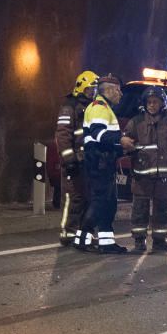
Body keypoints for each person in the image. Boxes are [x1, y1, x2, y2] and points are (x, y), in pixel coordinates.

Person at [121, 86, 167, 253]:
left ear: (162, 104)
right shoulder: (136, 122)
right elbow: (126, 143)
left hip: (164, 176)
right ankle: (139, 242)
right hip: (142, 175)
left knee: (163, 209)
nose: (151, 105)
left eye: (155, 102)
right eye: (149, 102)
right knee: (140, 209)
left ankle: (160, 241)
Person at [76, 74, 127, 254]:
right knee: (100, 203)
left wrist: (122, 149)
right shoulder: (99, 108)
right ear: (109, 90)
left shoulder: (103, 107)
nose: (120, 94)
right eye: (118, 90)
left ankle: (106, 243)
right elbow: (99, 134)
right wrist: (122, 140)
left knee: (108, 203)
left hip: (103, 162)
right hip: (99, 162)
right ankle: (82, 238)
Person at [55, 70, 98, 246]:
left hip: (88, 162)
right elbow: (63, 136)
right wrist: (69, 160)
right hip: (75, 163)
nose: (92, 93)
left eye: (94, 90)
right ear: (80, 88)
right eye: (89, 89)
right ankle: (68, 233)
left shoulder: (93, 107)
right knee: (73, 198)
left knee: (88, 198)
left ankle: (83, 234)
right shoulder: (69, 107)